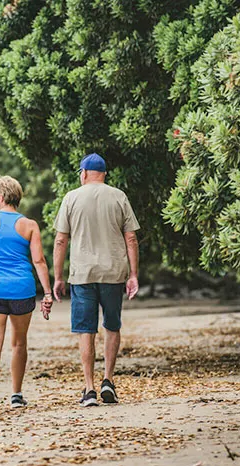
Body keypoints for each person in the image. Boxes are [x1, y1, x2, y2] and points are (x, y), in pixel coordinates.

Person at [52, 153, 140, 407]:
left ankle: (89, 389)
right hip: (113, 273)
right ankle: (108, 381)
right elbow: (131, 238)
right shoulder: (118, 196)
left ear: (83, 173)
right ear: (104, 174)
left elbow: (60, 240)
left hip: (82, 274)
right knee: (112, 325)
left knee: (85, 329)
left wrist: (58, 277)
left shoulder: (71, 198)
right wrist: (133, 274)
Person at [0, 176, 53, 411]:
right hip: (22, 289)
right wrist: (47, 293)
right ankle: (16, 395)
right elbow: (38, 260)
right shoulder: (29, 225)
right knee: (19, 343)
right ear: (18, 198)